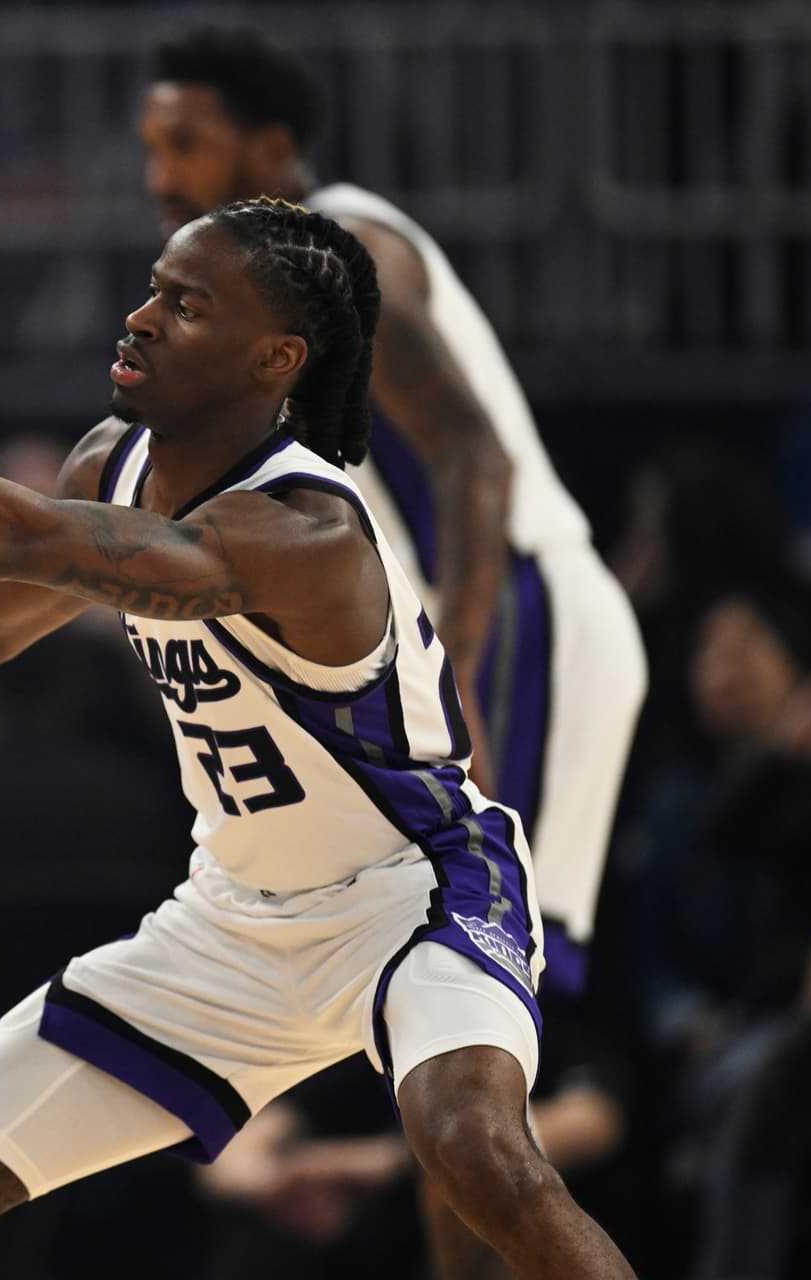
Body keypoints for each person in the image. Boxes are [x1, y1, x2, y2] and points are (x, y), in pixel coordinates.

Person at [0, 197, 635, 1279]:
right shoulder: (114, 459)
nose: (140, 318)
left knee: (477, 1151)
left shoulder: (306, 530)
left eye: (186, 306)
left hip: (414, 893)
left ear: (273, 356)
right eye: (152, 288)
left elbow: (30, 536)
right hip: (231, 923)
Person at [137, 27, 646, 999]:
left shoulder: (351, 245)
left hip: (519, 609)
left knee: (482, 969)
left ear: (272, 151)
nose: (161, 179)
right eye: (153, 149)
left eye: (186, 145)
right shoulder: (257, 303)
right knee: (423, 975)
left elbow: (472, 455)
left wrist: (454, 674)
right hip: (449, 633)